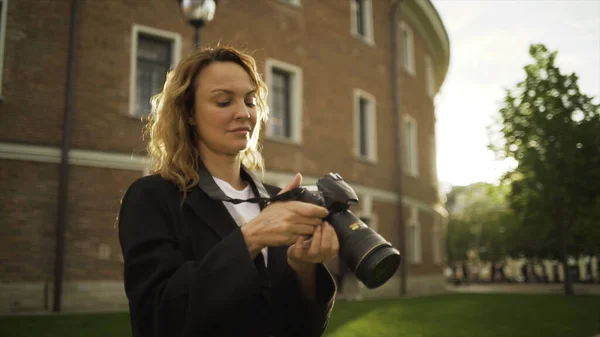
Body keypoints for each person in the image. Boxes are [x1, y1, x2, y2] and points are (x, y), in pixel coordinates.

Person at [118, 46, 338, 337]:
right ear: (189, 112)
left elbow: (303, 329)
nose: (243, 113)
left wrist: (306, 268)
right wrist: (251, 237)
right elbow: (156, 317)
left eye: (250, 100)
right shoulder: (152, 197)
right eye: (223, 102)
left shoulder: (277, 199)